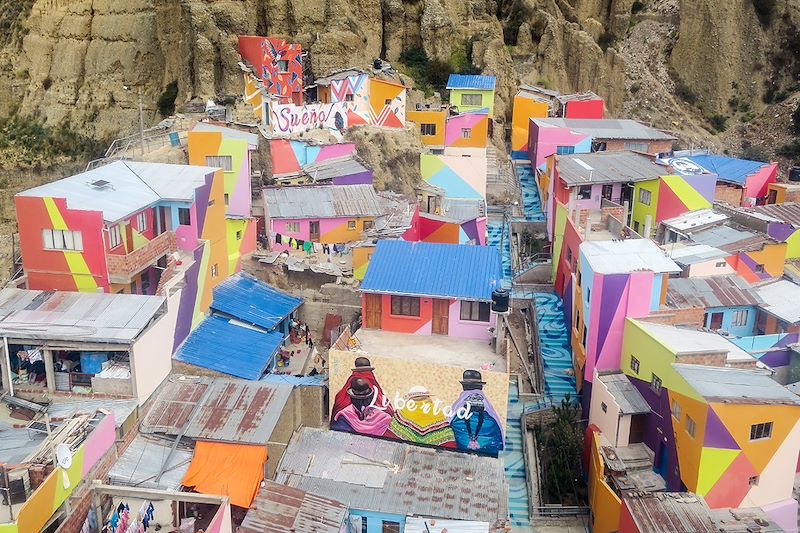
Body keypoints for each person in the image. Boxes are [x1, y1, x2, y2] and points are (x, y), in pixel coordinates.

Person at [449, 370, 505, 454]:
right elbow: (498, 442)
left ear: (464, 386)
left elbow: (448, 428)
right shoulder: (490, 416)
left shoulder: (457, 412)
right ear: (480, 387)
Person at [385, 386, 455, 448]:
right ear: (428, 397)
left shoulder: (401, 414)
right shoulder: (438, 414)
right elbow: (448, 440)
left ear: (410, 399)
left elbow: (390, 439)